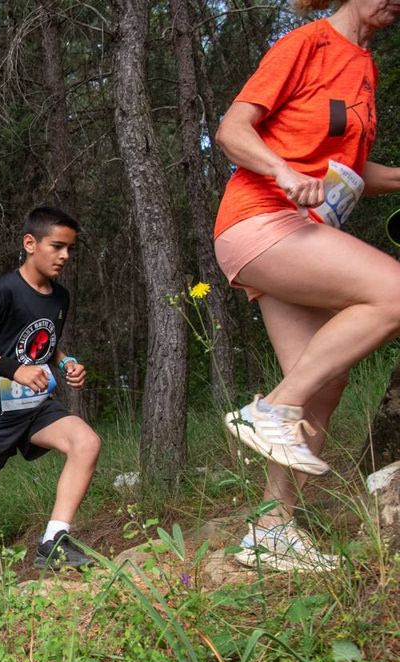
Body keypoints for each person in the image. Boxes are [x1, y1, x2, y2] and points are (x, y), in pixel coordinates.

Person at [213, 0, 400, 572]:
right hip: (260, 221)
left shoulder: (363, 65)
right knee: (396, 293)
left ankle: (272, 530)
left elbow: (349, 171)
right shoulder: (307, 44)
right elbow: (231, 130)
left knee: (322, 381)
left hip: (303, 233)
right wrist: (282, 170)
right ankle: (268, 409)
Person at [0, 207, 100, 604]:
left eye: (70, 249)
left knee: (86, 442)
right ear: (30, 244)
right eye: (57, 246)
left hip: (35, 407)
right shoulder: (3, 290)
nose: (64, 256)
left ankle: (54, 540)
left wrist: (66, 363)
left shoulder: (60, 296)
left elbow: (45, 344)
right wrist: (15, 371)